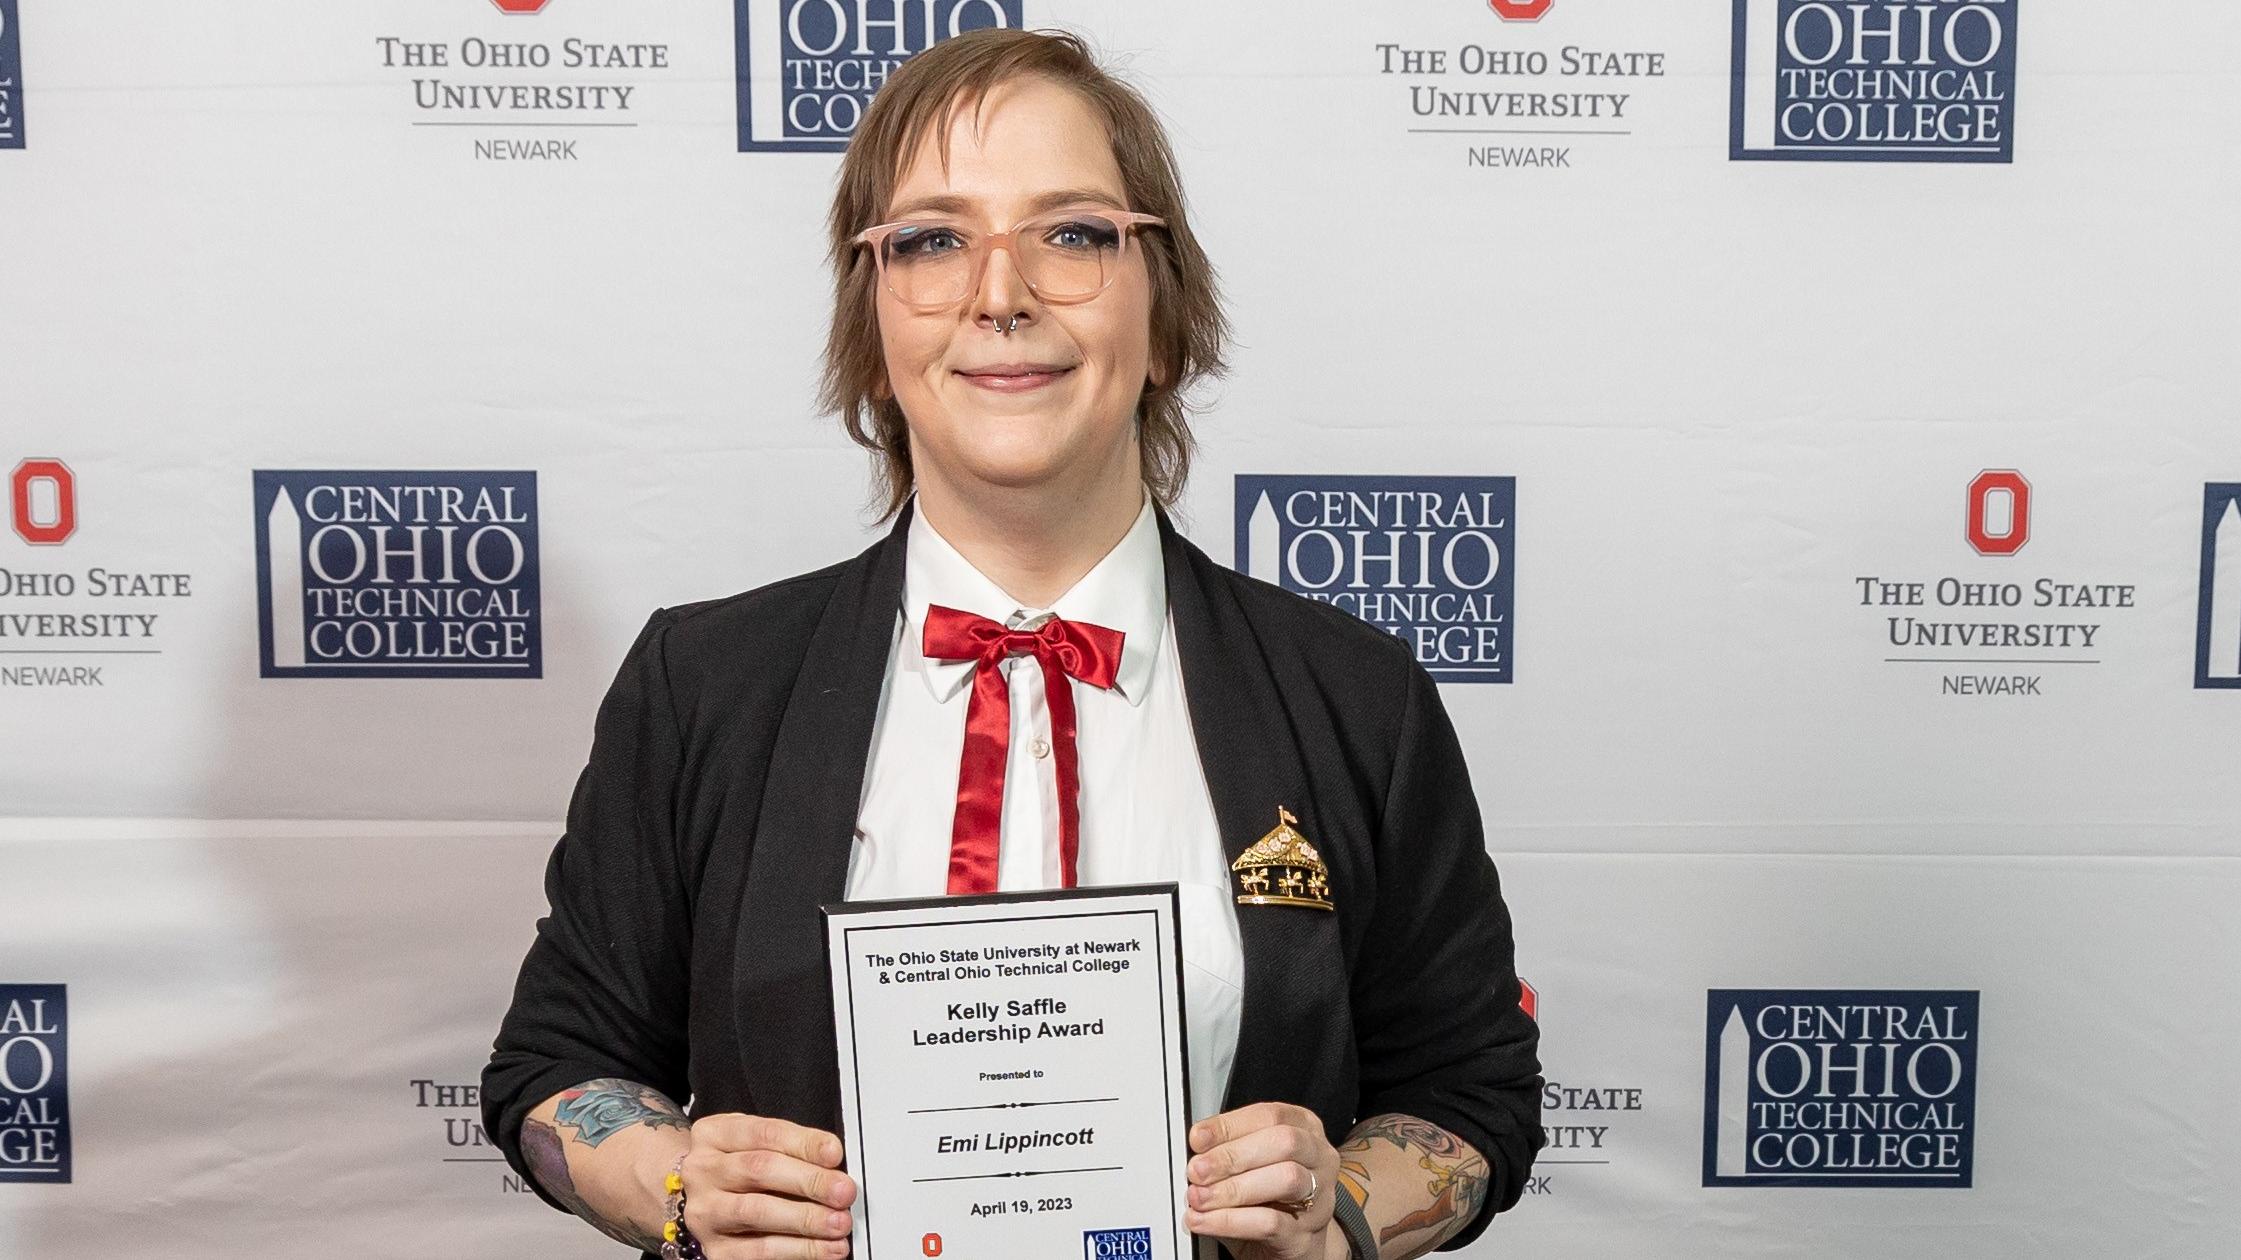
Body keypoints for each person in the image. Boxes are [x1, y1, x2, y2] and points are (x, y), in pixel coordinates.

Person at [483, 28, 1541, 1260]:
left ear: (1165, 314)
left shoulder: (1358, 699)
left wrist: (1341, 1209)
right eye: (933, 239)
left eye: (1074, 233)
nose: (1001, 293)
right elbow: (556, 1064)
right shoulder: (704, 685)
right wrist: (678, 1185)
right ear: (874, 324)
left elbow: (1471, 1087)